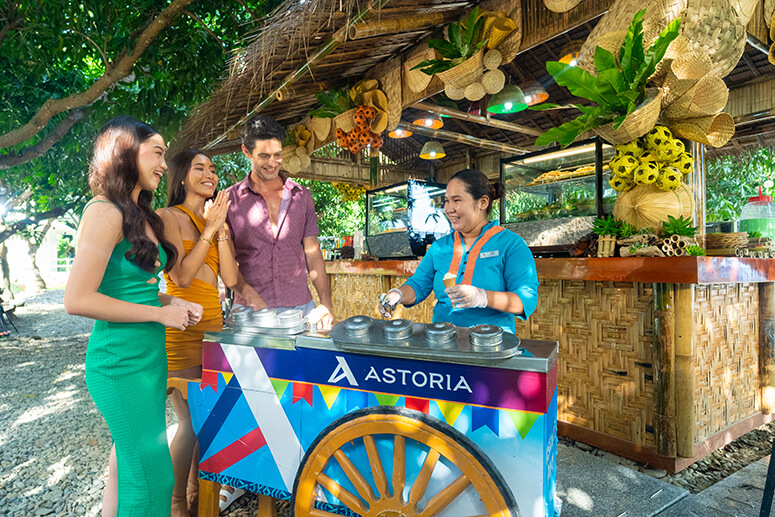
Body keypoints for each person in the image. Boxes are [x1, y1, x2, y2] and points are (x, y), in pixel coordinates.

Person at [64, 116, 203, 516]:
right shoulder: (104, 212)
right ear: (126, 152)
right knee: (152, 476)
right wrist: (158, 315)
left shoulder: (137, 213)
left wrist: (170, 303)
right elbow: (77, 299)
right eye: (157, 153)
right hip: (120, 362)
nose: (164, 164)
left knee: (127, 467)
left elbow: (131, 288)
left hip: (147, 360)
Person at [220, 115, 335, 510]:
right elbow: (223, 258)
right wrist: (244, 292)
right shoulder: (229, 200)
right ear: (246, 152)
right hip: (251, 316)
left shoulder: (302, 196)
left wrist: (325, 304)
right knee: (249, 394)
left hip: (300, 310)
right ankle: (240, 476)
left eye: (277, 155)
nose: (272, 162)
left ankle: (305, 473)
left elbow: (312, 253)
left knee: (303, 393)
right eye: (264, 156)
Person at [157, 150, 240, 516]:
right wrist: (209, 229)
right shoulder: (168, 217)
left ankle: (196, 497)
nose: (210, 174)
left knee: (207, 421)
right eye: (199, 168)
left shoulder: (215, 221)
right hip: (182, 329)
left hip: (213, 331)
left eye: (213, 169)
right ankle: (176, 504)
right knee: (190, 422)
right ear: (180, 177)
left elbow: (231, 278)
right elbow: (181, 275)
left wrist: (220, 229)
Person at [378, 169, 538, 333]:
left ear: (482, 202)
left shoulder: (511, 244)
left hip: (492, 341)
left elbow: (526, 300)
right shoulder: (440, 247)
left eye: (457, 200)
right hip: (443, 337)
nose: (448, 209)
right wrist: (397, 294)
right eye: (446, 201)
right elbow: (418, 285)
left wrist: (482, 297)